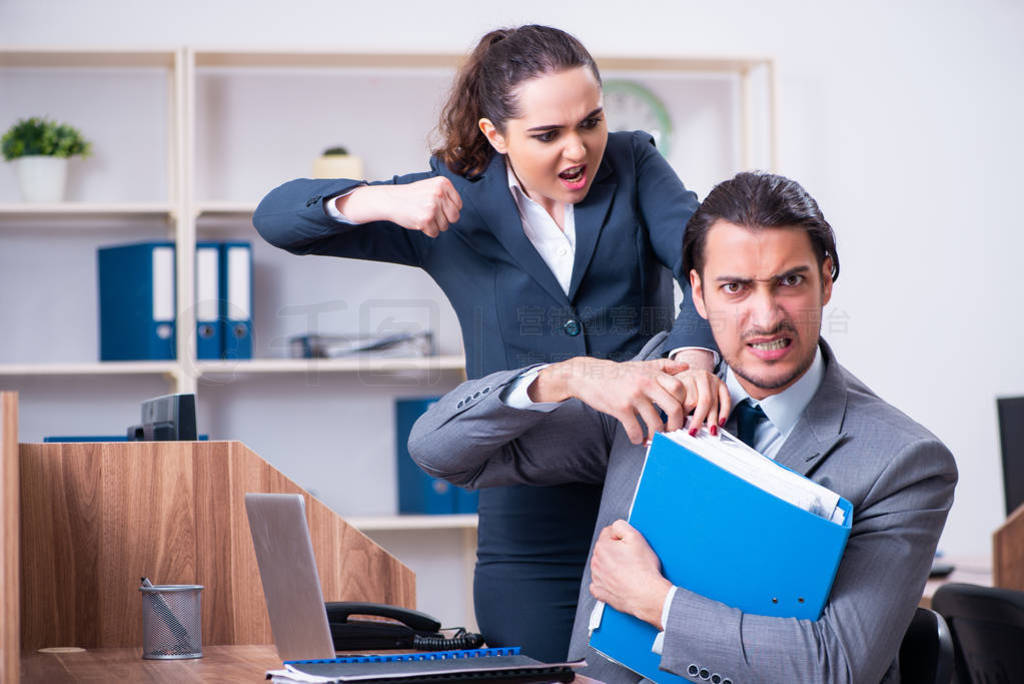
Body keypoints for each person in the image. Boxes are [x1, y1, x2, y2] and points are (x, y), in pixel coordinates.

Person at [252, 25, 727, 661]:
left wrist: (695, 352)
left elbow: (705, 261)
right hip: (526, 516)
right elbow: (276, 219)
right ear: (495, 135)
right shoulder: (453, 202)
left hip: (651, 491)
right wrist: (381, 200)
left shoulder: (634, 163)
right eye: (547, 134)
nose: (577, 150)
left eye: (590, 122)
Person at [408, 171, 958, 683]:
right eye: (735, 288)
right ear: (697, 293)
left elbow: (835, 665)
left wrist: (655, 601)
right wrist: (567, 376)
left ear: (827, 281)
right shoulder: (652, 394)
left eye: (790, 281)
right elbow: (440, 452)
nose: (765, 317)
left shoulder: (903, 461)